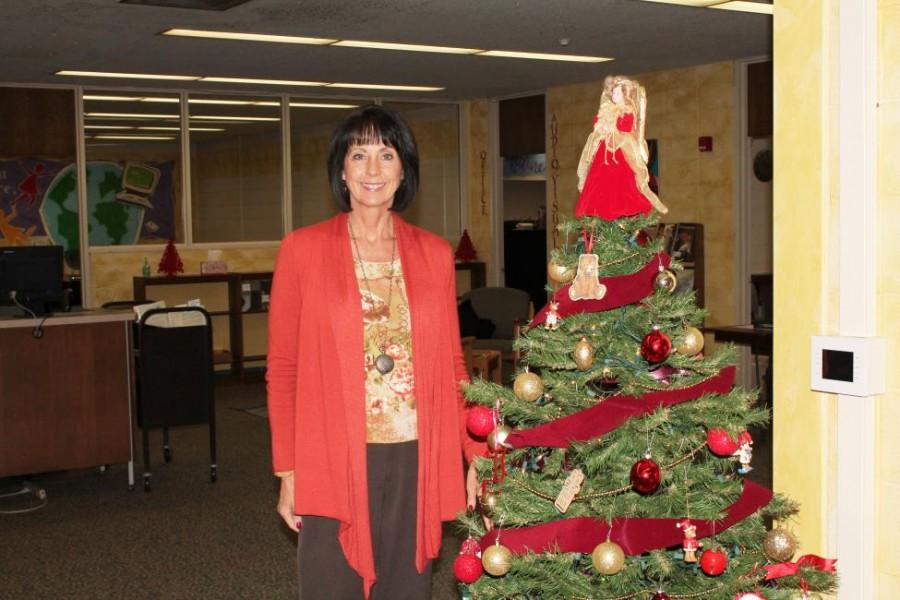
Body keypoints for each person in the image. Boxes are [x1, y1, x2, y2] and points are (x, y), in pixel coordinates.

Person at [266, 105, 485, 600]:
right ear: (341, 169)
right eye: (358, 154)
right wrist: (288, 472)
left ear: (403, 169)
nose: (371, 170)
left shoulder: (432, 254)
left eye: (386, 155)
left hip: (415, 455)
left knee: (407, 590)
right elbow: (283, 370)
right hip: (330, 456)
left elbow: (453, 365)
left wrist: (476, 451)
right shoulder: (302, 250)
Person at [574, 75, 668, 220]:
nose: (614, 95)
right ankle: (600, 206)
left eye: (617, 92)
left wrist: (611, 126)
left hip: (620, 149)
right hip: (605, 149)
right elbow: (597, 122)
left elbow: (626, 126)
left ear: (625, 94)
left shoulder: (628, 110)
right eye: (613, 92)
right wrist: (602, 125)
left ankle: (621, 207)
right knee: (600, 178)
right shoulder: (607, 108)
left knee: (621, 179)